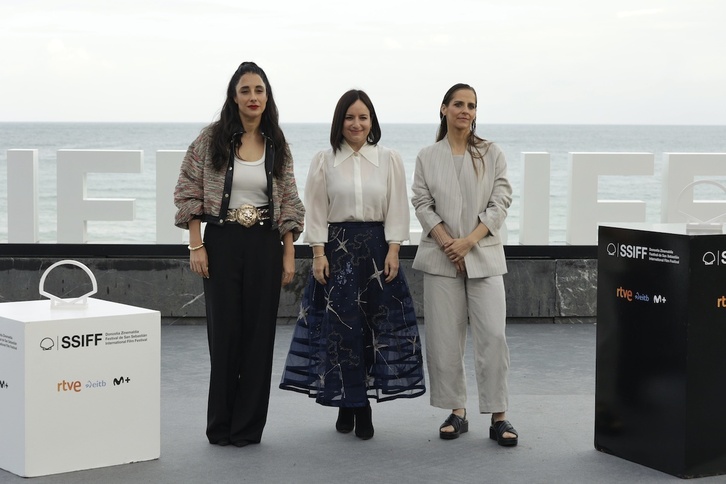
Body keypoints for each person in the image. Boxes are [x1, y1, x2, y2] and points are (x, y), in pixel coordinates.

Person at [279, 89, 425, 440]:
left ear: (371, 120)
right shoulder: (323, 160)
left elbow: (396, 209)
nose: (356, 123)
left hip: (377, 253)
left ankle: (359, 404)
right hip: (338, 254)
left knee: (372, 331)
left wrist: (394, 251)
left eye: (363, 117)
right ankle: (351, 403)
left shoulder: (389, 159)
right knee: (342, 331)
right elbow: (314, 209)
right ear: (339, 122)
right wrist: (317, 253)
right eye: (349, 117)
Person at [174, 61, 304, 447]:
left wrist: (288, 252)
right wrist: (196, 243)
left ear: (267, 97)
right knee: (225, 333)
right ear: (234, 96)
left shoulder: (277, 143)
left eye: (259, 90)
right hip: (222, 243)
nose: (253, 97)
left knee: (259, 337)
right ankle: (221, 427)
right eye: (245, 90)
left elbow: (291, 202)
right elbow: (187, 191)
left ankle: (247, 429)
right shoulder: (211, 139)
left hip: (265, 243)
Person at [411, 83, 518, 446]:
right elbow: (422, 202)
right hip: (441, 259)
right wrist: (447, 243)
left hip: (484, 256)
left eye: (471, 105)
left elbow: (501, 200)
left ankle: (499, 415)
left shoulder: (491, 153)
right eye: (458, 104)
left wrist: (469, 241)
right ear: (443, 109)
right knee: (444, 339)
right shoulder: (428, 155)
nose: (465, 111)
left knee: (493, 336)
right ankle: (457, 411)